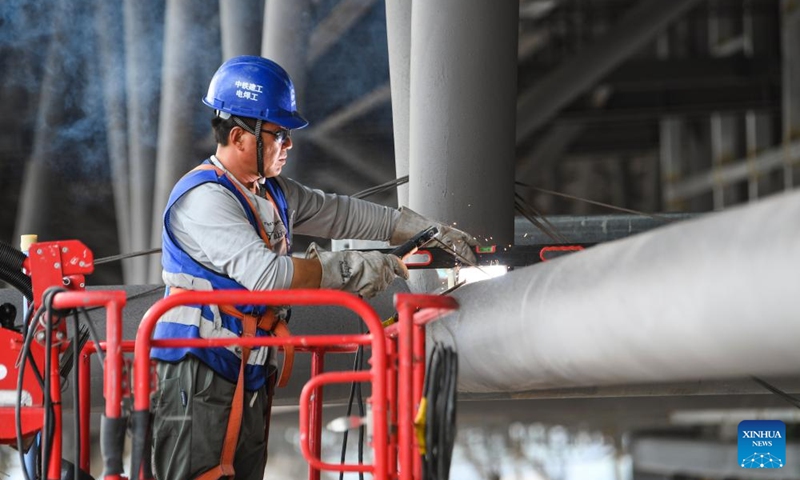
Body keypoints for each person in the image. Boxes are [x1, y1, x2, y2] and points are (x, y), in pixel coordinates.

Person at [149, 55, 478, 480]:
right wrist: (352, 269)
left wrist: (417, 226)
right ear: (239, 136)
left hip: (244, 368)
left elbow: (340, 213)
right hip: (196, 371)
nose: (288, 145)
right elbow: (268, 277)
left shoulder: (269, 193)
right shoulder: (206, 199)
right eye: (280, 134)